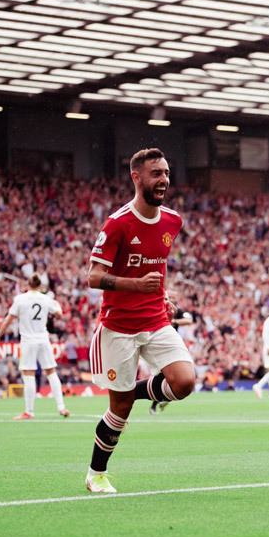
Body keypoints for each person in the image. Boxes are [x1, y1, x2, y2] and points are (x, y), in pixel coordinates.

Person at [84, 147, 195, 493]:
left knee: (185, 381)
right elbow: (92, 276)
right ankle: (95, 474)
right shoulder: (118, 223)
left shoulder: (172, 220)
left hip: (156, 320)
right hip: (119, 326)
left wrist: (162, 296)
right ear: (136, 177)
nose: (163, 180)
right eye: (156, 174)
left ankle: (131, 391)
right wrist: (136, 285)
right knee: (119, 413)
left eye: (165, 173)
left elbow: (156, 264)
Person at [0, 274, 70, 420]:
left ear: (28, 285)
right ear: (40, 286)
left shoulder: (20, 299)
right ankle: (61, 406)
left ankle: (29, 411)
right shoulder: (46, 299)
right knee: (51, 372)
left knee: (28, 374)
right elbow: (60, 315)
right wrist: (57, 305)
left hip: (28, 340)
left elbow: (8, 321)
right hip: (43, 339)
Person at [149, 297, 195, 415]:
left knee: (170, 377)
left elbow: (188, 320)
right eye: (171, 297)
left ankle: (160, 401)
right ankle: (158, 402)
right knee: (164, 376)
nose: (172, 299)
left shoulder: (176, 311)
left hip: (171, 346)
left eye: (174, 298)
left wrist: (173, 322)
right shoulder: (157, 309)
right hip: (158, 345)